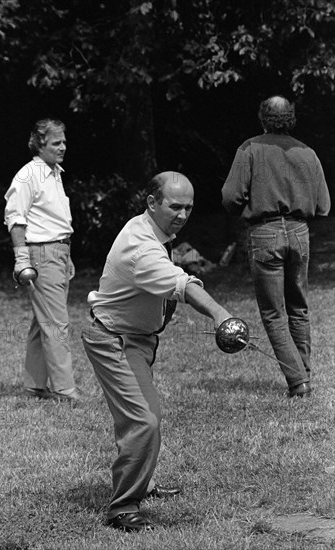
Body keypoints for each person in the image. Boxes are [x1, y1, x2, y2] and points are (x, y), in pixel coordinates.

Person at [82, 171, 232, 532]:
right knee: (143, 421)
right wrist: (221, 314)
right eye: (175, 206)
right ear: (152, 203)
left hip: (135, 339)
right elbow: (181, 284)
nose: (182, 214)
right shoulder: (141, 246)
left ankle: (142, 481)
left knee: (149, 413)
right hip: (113, 340)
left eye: (189, 207)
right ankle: (123, 507)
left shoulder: (153, 231)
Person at [222, 95, 331, 398]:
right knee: (299, 308)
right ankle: (304, 375)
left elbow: (230, 197)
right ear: (291, 118)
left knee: (273, 313)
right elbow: (324, 205)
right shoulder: (308, 152)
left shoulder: (250, 148)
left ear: (263, 118)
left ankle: (298, 382)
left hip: (265, 232)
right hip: (299, 232)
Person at [4, 118, 80, 403]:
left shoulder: (54, 173)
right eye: (56, 142)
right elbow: (15, 218)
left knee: (43, 322)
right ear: (40, 144)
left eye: (64, 141)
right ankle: (65, 390)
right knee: (56, 324)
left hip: (58, 252)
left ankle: (35, 385)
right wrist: (21, 258)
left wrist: (67, 255)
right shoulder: (28, 175)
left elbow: (55, 220)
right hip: (41, 254)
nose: (63, 147)